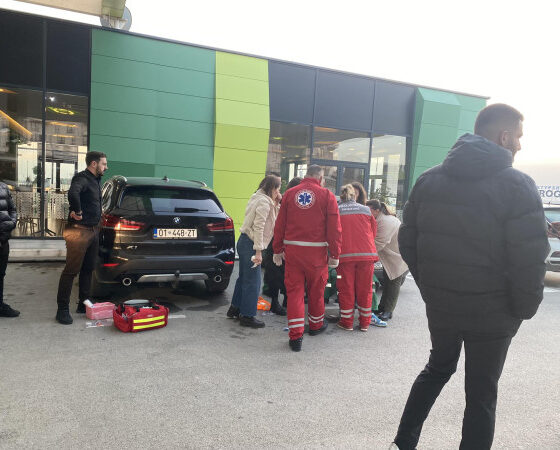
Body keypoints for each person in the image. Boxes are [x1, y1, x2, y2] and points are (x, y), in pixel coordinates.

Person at [390, 104, 549, 450]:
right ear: (504, 137)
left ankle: (402, 443)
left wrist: (432, 290)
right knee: (481, 394)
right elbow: (530, 258)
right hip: (494, 314)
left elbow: (408, 242)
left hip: (443, 307)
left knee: (437, 368)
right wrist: (522, 309)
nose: (520, 145)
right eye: (518, 137)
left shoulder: (428, 180)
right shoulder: (518, 185)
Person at [272, 165, 342, 352]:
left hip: (293, 252)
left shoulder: (290, 194)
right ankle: (316, 325)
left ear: (306, 175)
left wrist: (277, 249)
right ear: (321, 178)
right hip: (317, 254)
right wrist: (335, 254)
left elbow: (280, 224)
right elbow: (334, 229)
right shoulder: (327, 195)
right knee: (316, 291)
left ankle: (295, 337)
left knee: (294, 293)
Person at [55, 151, 108, 325]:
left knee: (88, 269)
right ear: (94, 164)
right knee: (71, 271)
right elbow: (73, 193)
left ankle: (83, 304)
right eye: (103, 164)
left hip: (93, 231)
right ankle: (62, 310)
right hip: (79, 231)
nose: (106, 167)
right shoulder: (82, 178)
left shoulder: (95, 180)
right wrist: (77, 211)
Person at [227, 175, 282, 328]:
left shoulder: (257, 197)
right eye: (278, 189)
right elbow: (259, 227)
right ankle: (247, 316)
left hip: (244, 241)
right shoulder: (264, 202)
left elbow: (271, 219)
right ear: (272, 188)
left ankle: (235, 308)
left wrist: (276, 203)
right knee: (253, 282)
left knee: (244, 278)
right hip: (252, 244)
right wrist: (258, 252)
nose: (279, 192)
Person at [336, 184, 385, 331]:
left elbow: (334, 232)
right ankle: (364, 323)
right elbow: (373, 231)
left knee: (346, 288)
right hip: (366, 256)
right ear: (354, 196)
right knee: (366, 289)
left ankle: (347, 322)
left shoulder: (337, 210)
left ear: (342, 196)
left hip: (345, 257)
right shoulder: (365, 210)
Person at [261, 177, 303, 314]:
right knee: (276, 274)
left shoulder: (290, 200)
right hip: (277, 241)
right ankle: (275, 302)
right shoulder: (283, 200)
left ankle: (284, 300)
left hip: (285, 242)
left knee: (285, 274)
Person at [366, 199, 408, 321]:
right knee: (388, 283)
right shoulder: (381, 219)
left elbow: (379, 243)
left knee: (393, 284)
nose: (366, 212)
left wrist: (366, 255)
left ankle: (388, 311)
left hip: (397, 258)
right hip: (391, 257)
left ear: (376, 210)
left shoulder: (385, 221)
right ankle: (382, 307)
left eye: (369, 210)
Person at [0, 181, 18, 318]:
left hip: (3, 240)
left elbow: (13, 209)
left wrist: (12, 223)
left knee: (1, 274)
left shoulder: (4, 187)